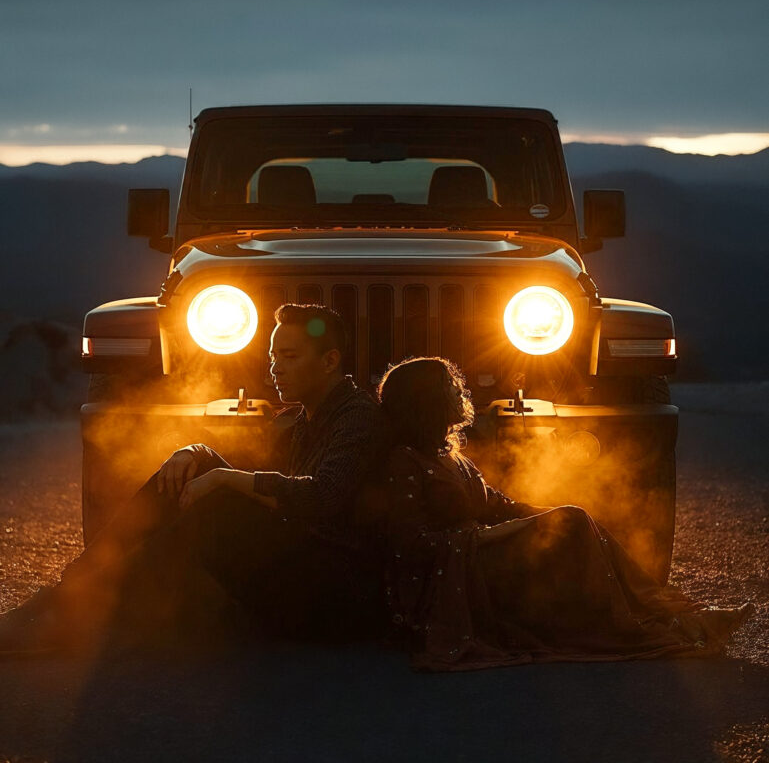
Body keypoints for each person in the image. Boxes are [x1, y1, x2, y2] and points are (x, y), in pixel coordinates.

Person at [0, 304, 387, 657]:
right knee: (186, 473)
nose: (275, 369)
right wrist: (197, 453)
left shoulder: (356, 417)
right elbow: (248, 465)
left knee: (213, 510)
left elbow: (323, 496)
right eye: (273, 357)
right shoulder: (306, 416)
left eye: (289, 357)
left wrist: (223, 479)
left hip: (331, 594)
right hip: (302, 565)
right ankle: (68, 595)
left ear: (329, 361)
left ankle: (82, 615)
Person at [376, 356, 754, 672]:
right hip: (460, 574)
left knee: (575, 519)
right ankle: (661, 623)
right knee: (572, 522)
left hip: (479, 554)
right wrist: (480, 540)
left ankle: (670, 614)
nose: (461, 391)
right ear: (427, 401)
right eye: (450, 387)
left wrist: (551, 519)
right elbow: (408, 546)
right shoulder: (404, 461)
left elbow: (498, 505)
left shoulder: (452, 456)